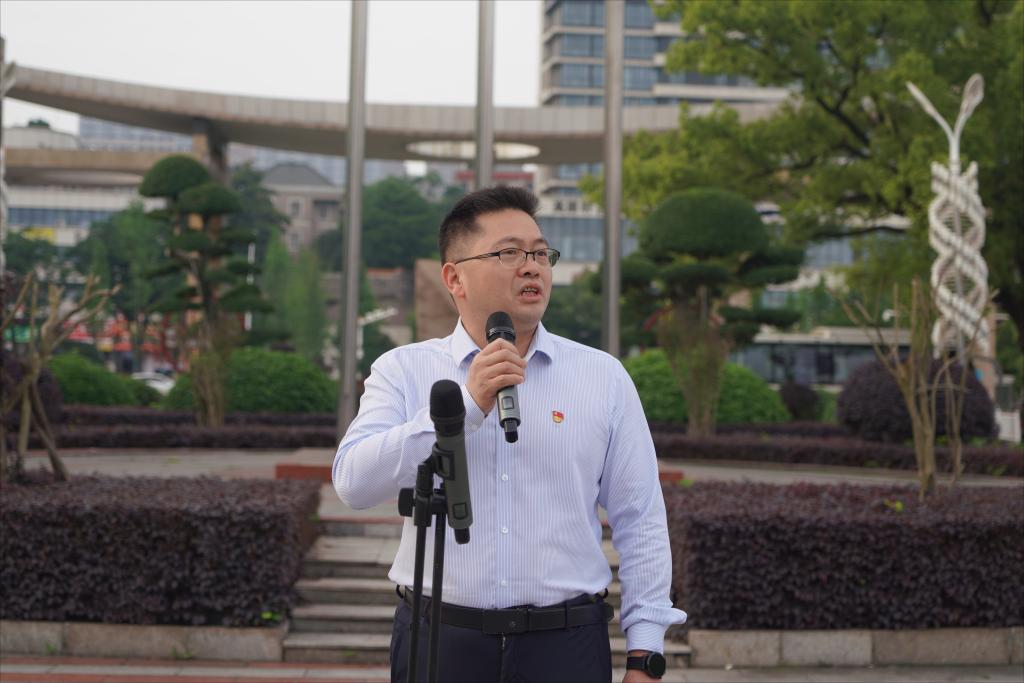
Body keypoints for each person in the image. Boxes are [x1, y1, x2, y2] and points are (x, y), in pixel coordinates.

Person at [334, 186, 685, 682]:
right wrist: (465, 408)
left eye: (540, 254)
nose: (532, 267)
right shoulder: (403, 370)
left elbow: (641, 518)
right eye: (509, 253)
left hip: (565, 646)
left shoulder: (602, 377)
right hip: (439, 643)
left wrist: (645, 655)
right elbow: (353, 483)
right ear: (454, 278)